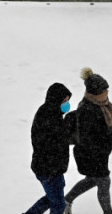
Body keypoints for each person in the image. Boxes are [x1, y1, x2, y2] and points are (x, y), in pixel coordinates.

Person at [64, 68, 112, 214]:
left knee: (92, 180)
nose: (107, 92)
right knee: (104, 181)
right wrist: (104, 144)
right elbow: (87, 139)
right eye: (104, 90)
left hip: (99, 154)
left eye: (107, 89)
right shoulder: (88, 110)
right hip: (90, 155)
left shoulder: (102, 105)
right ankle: (108, 212)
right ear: (94, 94)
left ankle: (66, 201)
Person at [24, 82, 74, 214]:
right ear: (56, 100)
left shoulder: (52, 113)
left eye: (68, 100)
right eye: (64, 101)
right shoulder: (48, 117)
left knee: (52, 199)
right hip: (49, 169)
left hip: (51, 168)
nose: (66, 104)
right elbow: (49, 144)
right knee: (58, 204)